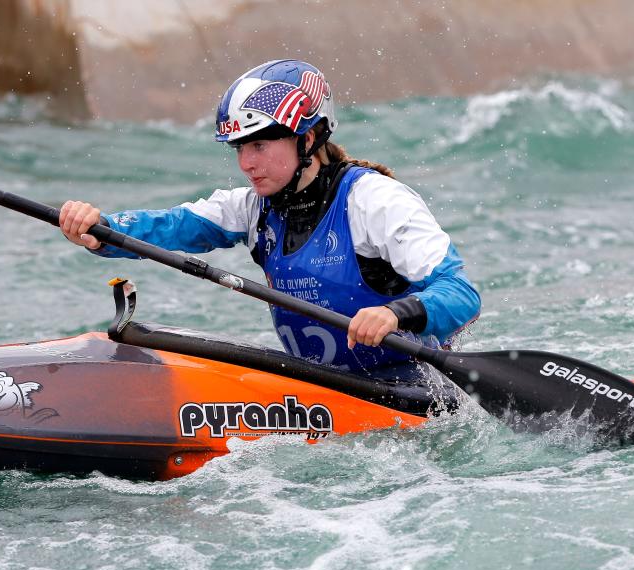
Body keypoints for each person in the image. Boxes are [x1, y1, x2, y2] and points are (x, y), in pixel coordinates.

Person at [60, 59, 481, 382]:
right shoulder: (252, 206)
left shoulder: (374, 200)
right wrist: (99, 228)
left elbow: (461, 293)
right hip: (320, 386)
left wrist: (394, 314)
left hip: (407, 388)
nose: (246, 163)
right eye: (239, 149)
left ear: (308, 139)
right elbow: (173, 227)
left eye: (259, 145)